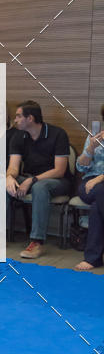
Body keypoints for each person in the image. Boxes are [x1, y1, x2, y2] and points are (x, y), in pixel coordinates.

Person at [6, 100, 72, 259]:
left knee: (39, 187)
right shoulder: (18, 136)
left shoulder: (58, 134)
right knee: (2, 185)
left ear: (30, 118)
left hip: (58, 181)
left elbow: (59, 170)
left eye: (18, 116)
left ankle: (36, 242)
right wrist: (8, 177)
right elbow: (14, 167)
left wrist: (32, 180)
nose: (15, 120)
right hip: (30, 178)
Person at [74, 110, 104, 271]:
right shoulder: (94, 136)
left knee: (96, 207)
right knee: (99, 193)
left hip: (97, 183)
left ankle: (93, 258)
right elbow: (80, 166)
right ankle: (93, 257)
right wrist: (91, 147)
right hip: (89, 184)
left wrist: (100, 178)